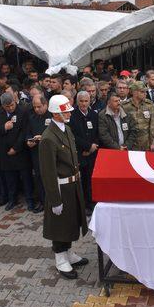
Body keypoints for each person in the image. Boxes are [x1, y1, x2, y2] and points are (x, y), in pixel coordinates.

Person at [39, 94, 88, 280]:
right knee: (60, 223)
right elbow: (48, 172)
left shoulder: (65, 129)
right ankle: (60, 257)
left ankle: (67, 252)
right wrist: (54, 199)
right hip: (60, 188)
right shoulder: (48, 138)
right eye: (65, 111)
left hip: (72, 184)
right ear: (56, 113)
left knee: (70, 220)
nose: (69, 113)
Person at [0, 93, 35, 211]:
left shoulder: (23, 111)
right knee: (10, 179)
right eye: (7, 106)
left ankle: (30, 200)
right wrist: (4, 128)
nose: (11, 108)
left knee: (26, 179)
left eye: (12, 105)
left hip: (20, 152)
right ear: (2, 106)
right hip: (5, 153)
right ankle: (12, 199)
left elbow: (24, 132)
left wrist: (16, 148)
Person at [70, 91, 99, 215]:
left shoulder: (93, 115)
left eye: (86, 101)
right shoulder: (72, 116)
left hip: (92, 154)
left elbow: (98, 132)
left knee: (90, 180)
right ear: (77, 102)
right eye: (81, 101)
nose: (83, 103)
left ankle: (91, 202)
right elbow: (73, 136)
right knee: (82, 181)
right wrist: (87, 147)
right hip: (80, 154)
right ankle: (83, 205)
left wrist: (93, 146)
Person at [26, 94, 52, 213]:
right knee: (39, 178)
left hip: (50, 154)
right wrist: (29, 141)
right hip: (36, 153)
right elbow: (27, 133)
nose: (37, 109)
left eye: (39, 106)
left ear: (45, 105)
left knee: (50, 179)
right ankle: (42, 202)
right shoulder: (32, 118)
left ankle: (53, 202)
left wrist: (43, 137)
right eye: (35, 107)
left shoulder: (53, 117)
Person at [122, 82, 154, 152]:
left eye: (145, 91)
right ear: (135, 92)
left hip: (146, 144)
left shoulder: (149, 104)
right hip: (130, 143)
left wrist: (153, 143)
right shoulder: (124, 106)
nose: (145, 93)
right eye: (142, 92)